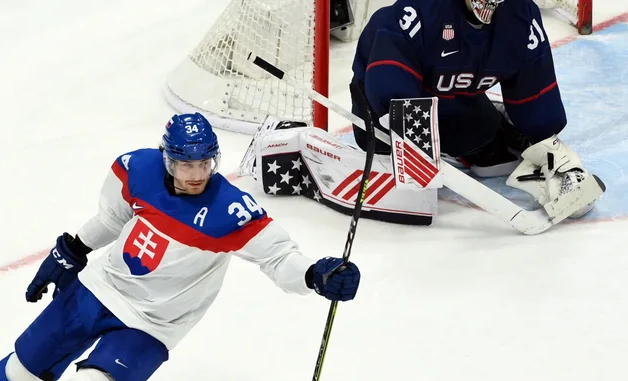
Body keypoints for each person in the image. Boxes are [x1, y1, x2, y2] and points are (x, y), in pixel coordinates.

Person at [0, 113, 361, 381]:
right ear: (166, 156)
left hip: (154, 323)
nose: (195, 173)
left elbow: (279, 257)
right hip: (100, 288)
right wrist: (73, 248)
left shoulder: (232, 211)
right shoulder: (136, 168)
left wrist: (315, 274)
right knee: (22, 365)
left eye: (204, 163)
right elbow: (110, 220)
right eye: (184, 163)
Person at [243, 0, 597, 221]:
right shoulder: (421, 12)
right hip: (384, 110)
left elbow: (535, 94)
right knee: (412, 192)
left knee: (499, 163)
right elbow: (388, 71)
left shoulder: (521, 18)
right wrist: (413, 141)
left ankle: (466, 145)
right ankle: (294, 144)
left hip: (458, 100)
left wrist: (544, 144)